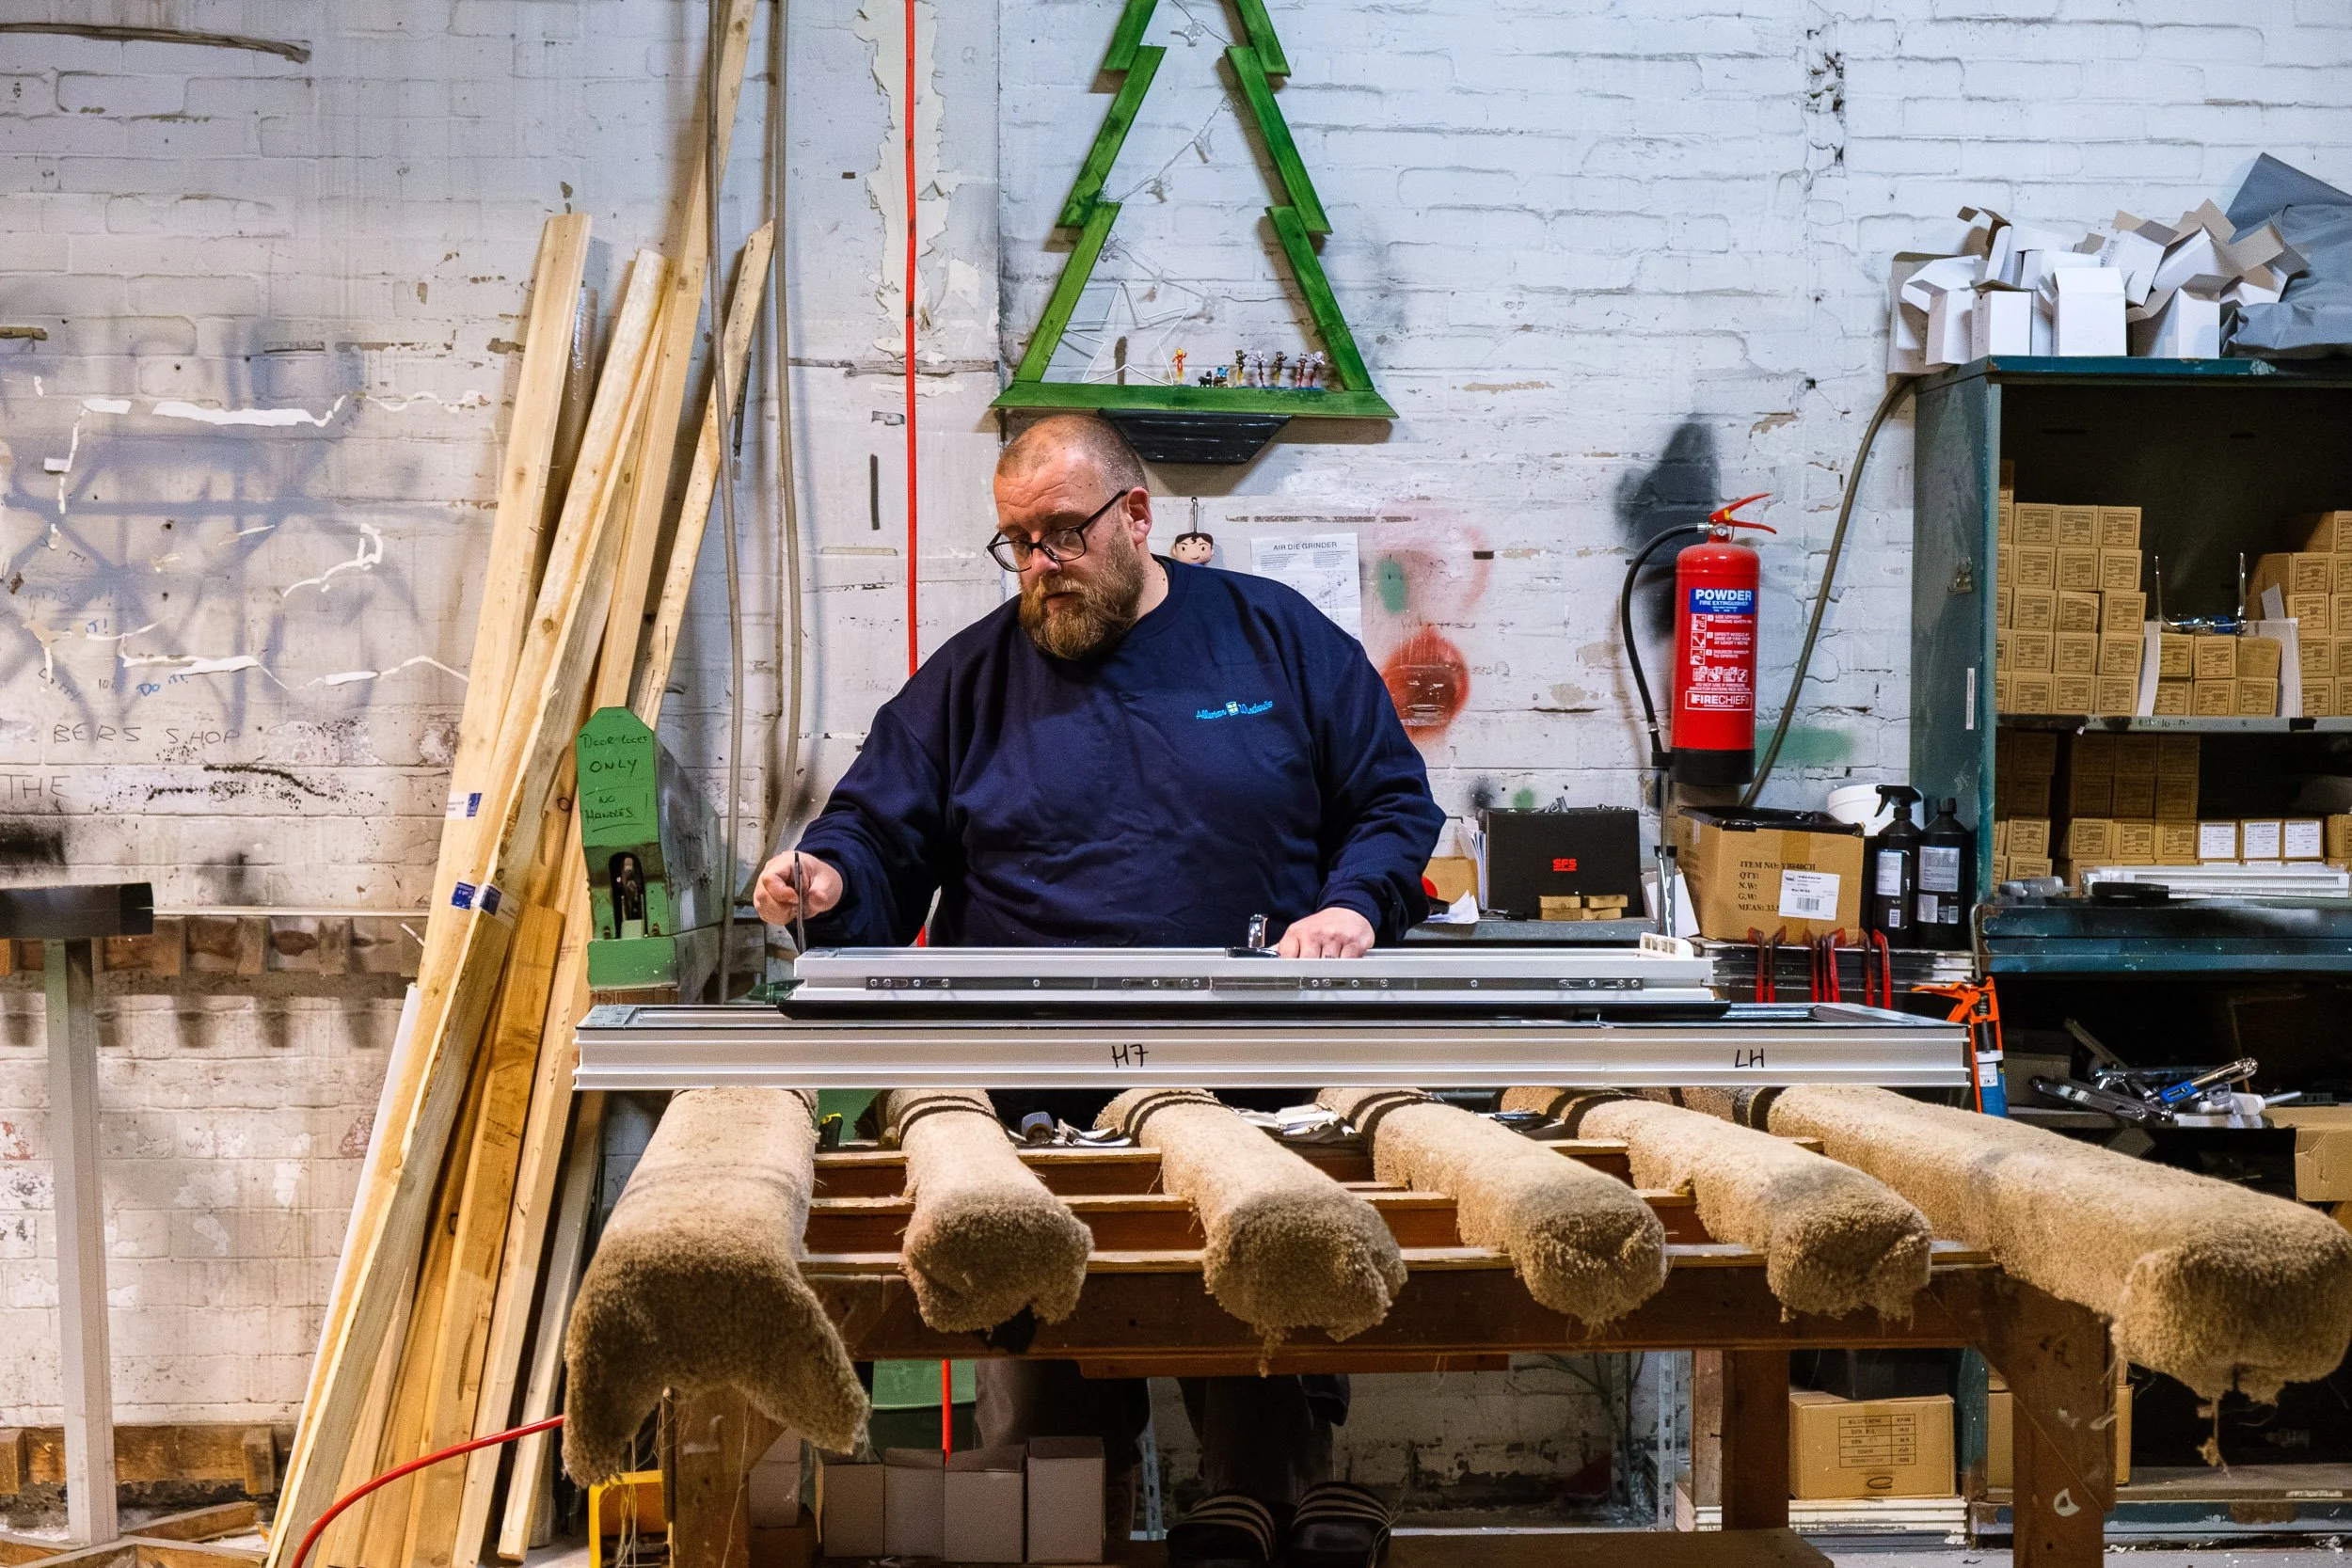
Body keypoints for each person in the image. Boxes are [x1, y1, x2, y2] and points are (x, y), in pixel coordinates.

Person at [752, 413, 1442, 1553]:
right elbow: (875, 830)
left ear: (1136, 516)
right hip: (1037, 1127)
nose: (1040, 563)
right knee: (1052, 1483)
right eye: (1018, 541)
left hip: (1256, 1108)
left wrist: (1352, 905)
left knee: (1262, 1454)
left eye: (1063, 533)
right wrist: (825, 876)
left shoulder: (1274, 640)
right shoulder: (970, 680)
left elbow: (1390, 801)